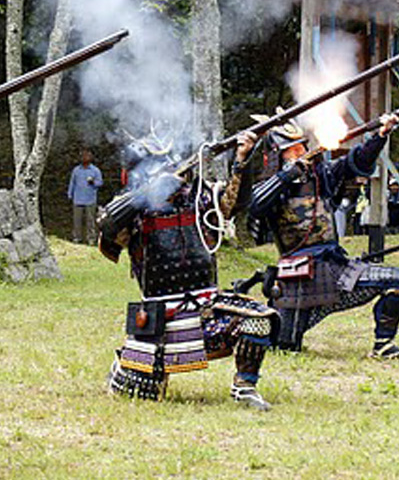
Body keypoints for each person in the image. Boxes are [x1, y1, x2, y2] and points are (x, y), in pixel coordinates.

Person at [97, 130, 279, 409]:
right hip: (159, 319)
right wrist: (149, 193)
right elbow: (107, 226)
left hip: (208, 308)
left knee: (258, 319)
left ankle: (244, 386)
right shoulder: (133, 212)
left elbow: (236, 203)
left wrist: (243, 159)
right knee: (137, 393)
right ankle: (124, 364)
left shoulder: (199, 198)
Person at [241, 113, 399, 360]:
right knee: (283, 346)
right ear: (277, 156)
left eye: (302, 147)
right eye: (292, 150)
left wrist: (380, 135)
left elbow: (357, 161)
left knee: (398, 281)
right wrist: (286, 176)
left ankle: (383, 345)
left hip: (334, 267)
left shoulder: (322, 176)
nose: (300, 152)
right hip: (297, 279)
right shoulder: (272, 185)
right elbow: (255, 204)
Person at [67, 149, 103, 244]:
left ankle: (91, 239)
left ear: (91, 158)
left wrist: (93, 182)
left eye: (87, 156)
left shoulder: (95, 170)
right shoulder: (76, 170)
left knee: (90, 221)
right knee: (77, 220)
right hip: (77, 198)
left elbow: (100, 183)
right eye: (83, 156)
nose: (85, 157)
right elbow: (72, 183)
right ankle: (77, 238)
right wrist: (70, 194)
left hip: (90, 199)